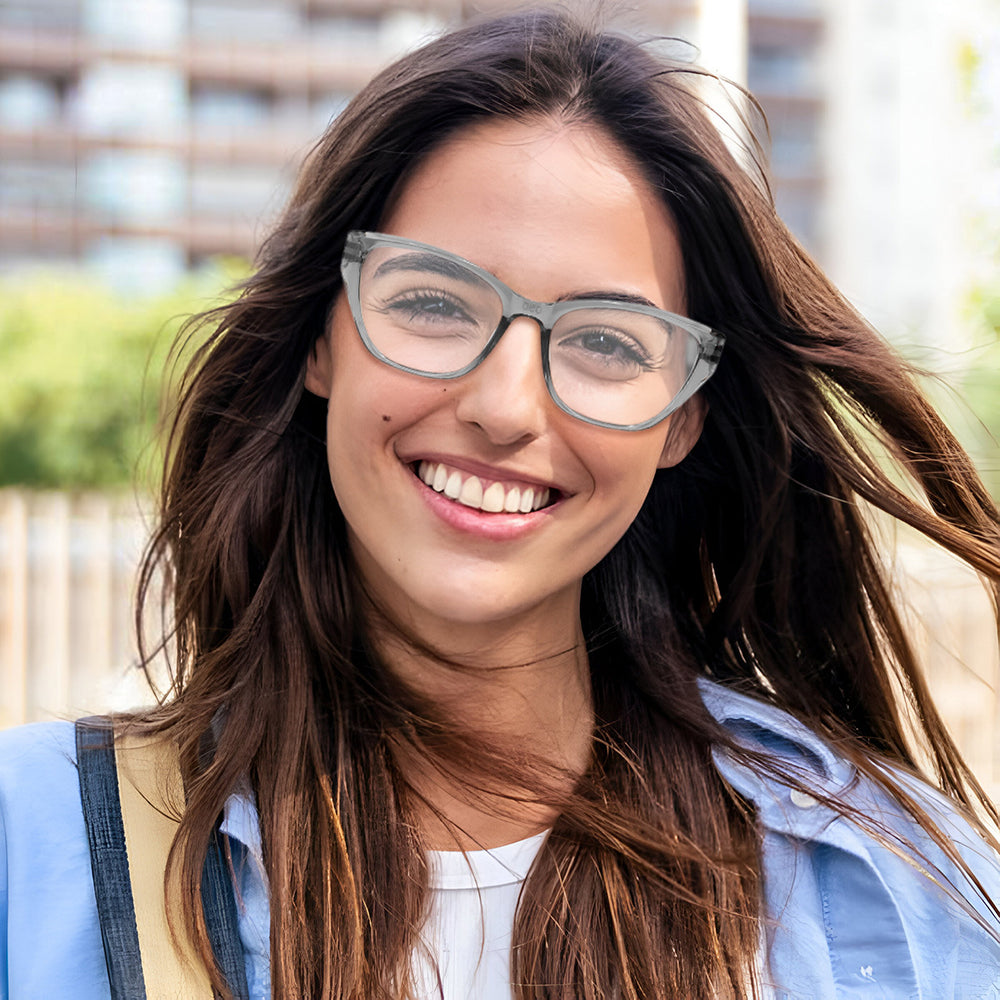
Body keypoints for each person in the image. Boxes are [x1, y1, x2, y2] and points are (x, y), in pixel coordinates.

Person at [2, 7, 999, 999]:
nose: (504, 407)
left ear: (682, 417)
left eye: (608, 340)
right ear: (321, 337)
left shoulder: (892, 886)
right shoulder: (34, 846)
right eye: (434, 302)